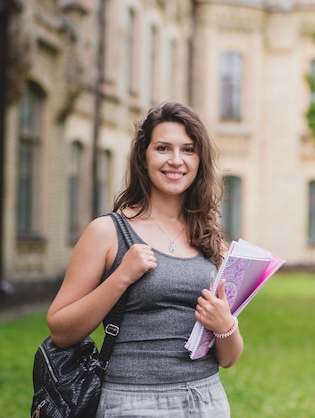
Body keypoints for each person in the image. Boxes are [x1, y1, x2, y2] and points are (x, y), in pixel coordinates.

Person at [46, 101, 244, 417]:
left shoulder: (212, 241)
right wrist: (121, 276)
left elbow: (229, 358)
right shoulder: (108, 232)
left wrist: (225, 327)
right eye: (163, 148)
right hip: (133, 402)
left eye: (188, 150)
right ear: (144, 156)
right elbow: (60, 329)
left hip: (206, 400)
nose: (176, 160)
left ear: (199, 161)